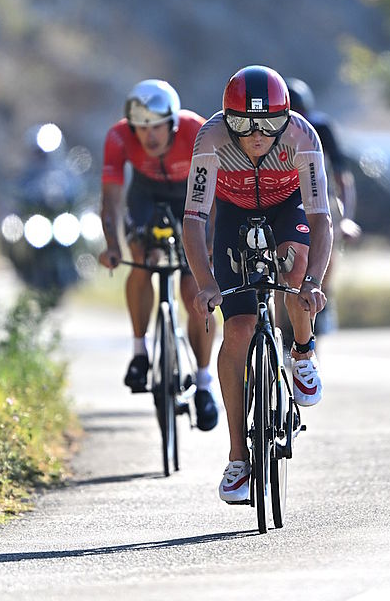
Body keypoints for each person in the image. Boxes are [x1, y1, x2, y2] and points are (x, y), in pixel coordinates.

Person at [181, 65, 332, 504]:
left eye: (268, 124)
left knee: (297, 270)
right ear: (228, 119)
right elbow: (194, 220)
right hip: (232, 213)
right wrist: (205, 283)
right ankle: (236, 456)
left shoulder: (303, 137)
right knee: (239, 330)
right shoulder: (210, 138)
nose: (256, 134)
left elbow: (321, 218)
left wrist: (315, 282)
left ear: (285, 119)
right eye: (244, 124)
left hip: (288, 208)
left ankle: (302, 352)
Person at [99, 79, 219, 430]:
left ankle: (203, 380)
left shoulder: (197, 130)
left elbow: (219, 192)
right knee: (140, 261)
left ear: (174, 123)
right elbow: (110, 199)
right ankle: (140, 353)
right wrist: (112, 245)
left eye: (157, 128)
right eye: (142, 129)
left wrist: (211, 245)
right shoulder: (118, 138)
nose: (149, 137)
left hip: (190, 196)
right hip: (146, 195)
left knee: (194, 288)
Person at [284, 77, 361, 335]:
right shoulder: (269, 129)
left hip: (318, 193)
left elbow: (342, 177)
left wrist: (347, 217)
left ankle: (325, 293)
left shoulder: (320, 127)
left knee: (329, 235)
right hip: (284, 195)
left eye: (301, 114)